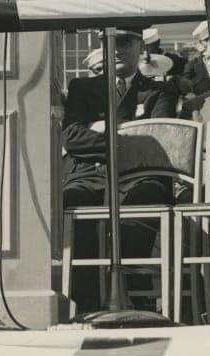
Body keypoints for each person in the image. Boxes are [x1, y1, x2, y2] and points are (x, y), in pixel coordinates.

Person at [61, 25, 178, 313]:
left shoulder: (159, 90)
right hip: (90, 175)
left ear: (141, 46)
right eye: (108, 41)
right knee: (73, 199)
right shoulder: (83, 87)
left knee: (149, 195)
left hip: (138, 178)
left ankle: (137, 297)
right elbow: (71, 136)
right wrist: (126, 138)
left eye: (125, 41)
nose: (116, 48)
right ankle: (87, 301)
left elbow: (156, 139)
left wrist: (102, 132)